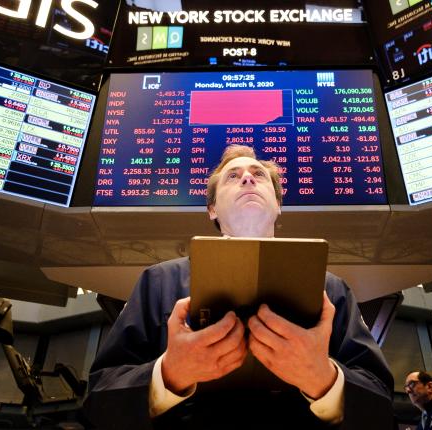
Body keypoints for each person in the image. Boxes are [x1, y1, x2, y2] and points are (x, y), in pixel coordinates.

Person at [83, 145, 394, 429]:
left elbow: (381, 406)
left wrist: (324, 380)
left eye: (259, 174)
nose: (247, 178)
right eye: (233, 176)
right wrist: (169, 374)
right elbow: (98, 402)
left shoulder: (332, 290)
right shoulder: (158, 281)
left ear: (278, 204)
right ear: (212, 209)